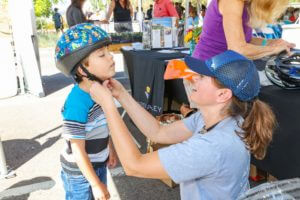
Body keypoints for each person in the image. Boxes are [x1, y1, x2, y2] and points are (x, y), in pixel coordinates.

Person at [89, 50, 276, 199]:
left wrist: (108, 105)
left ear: (223, 95)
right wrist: (122, 94)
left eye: (203, 77)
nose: (194, 77)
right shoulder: (215, 118)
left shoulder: (212, 147)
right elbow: (159, 132)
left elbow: (134, 165)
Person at [55, 23, 118, 200]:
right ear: (82, 69)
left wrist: (109, 149)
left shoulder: (100, 90)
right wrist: (96, 183)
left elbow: (103, 124)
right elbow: (77, 150)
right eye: (102, 55)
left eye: (108, 51)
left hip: (98, 163)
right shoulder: (77, 102)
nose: (111, 57)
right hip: (79, 174)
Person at [193, 0, 295, 61]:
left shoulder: (246, 4)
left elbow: (246, 39)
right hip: (206, 68)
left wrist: (270, 42)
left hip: (224, 66)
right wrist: (273, 49)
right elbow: (238, 49)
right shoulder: (232, 2)